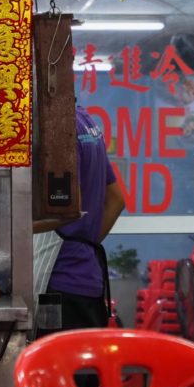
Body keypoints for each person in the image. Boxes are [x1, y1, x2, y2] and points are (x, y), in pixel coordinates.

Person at [33, 105, 126, 332]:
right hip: (87, 279)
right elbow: (117, 200)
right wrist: (86, 245)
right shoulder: (85, 121)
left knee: (56, 365)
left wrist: (12, 230)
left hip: (58, 285)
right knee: (81, 366)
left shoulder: (57, 126)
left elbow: (65, 208)